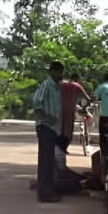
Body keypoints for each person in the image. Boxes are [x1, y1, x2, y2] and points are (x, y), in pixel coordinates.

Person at [33, 60, 65, 202]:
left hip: (52, 129)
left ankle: (47, 191)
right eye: (58, 71)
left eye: (61, 72)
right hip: (45, 127)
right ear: (52, 71)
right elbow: (37, 104)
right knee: (45, 162)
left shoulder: (56, 88)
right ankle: (44, 194)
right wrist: (47, 120)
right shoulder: (47, 85)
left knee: (49, 162)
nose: (60, 74)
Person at [59, 72, 91, 153]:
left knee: (60, 128)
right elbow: (88, 99)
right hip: (70, 110)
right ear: (77, 79)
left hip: (59, 109)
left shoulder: (62, 84)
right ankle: (64, 147)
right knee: (68, 129)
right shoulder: (77, 85)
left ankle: (59, 147)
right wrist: (84, 108)